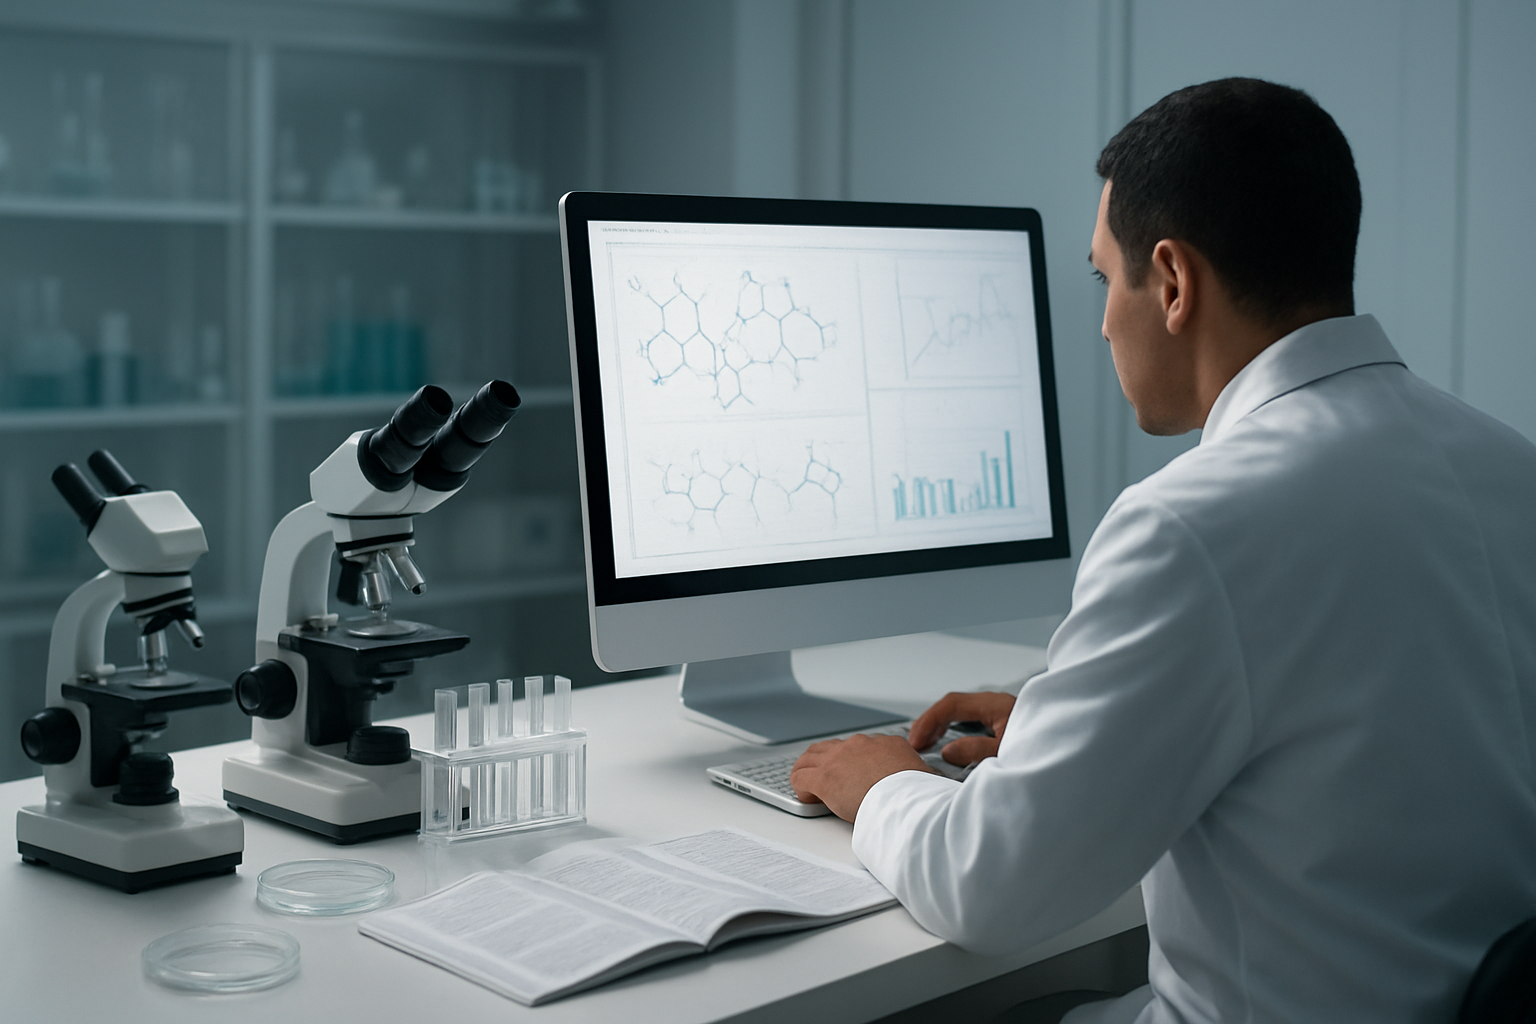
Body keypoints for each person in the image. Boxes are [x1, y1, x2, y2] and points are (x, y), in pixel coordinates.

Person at [790, 77, 1536, 1024]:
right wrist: (1084, 731)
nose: (1105, 321)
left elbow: (988, 888)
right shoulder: (1510, 465)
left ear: (1174, 283)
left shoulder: (1190, 525)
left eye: (1107, 279)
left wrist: (882, 784)